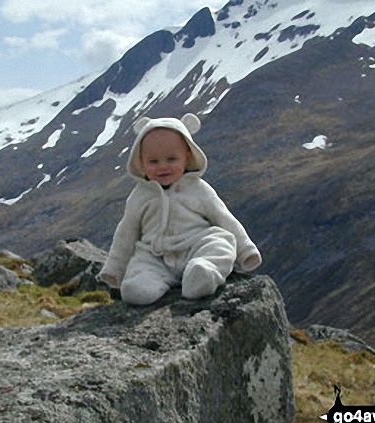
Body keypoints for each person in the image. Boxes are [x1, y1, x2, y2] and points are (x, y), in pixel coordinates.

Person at [97, 113, 261, 305]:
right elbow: (127, 232)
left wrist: (246, 250)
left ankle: (203, 273)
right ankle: (143, 286)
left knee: (220, 244)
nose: (163, 167)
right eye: (153, 161)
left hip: (196, 245)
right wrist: (115, 269)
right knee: (136, 283)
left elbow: (224, 219)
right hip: (156, 256)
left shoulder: (199, 189)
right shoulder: (139, 196)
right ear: (141, 162)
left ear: (188, 156)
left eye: (171, 159)